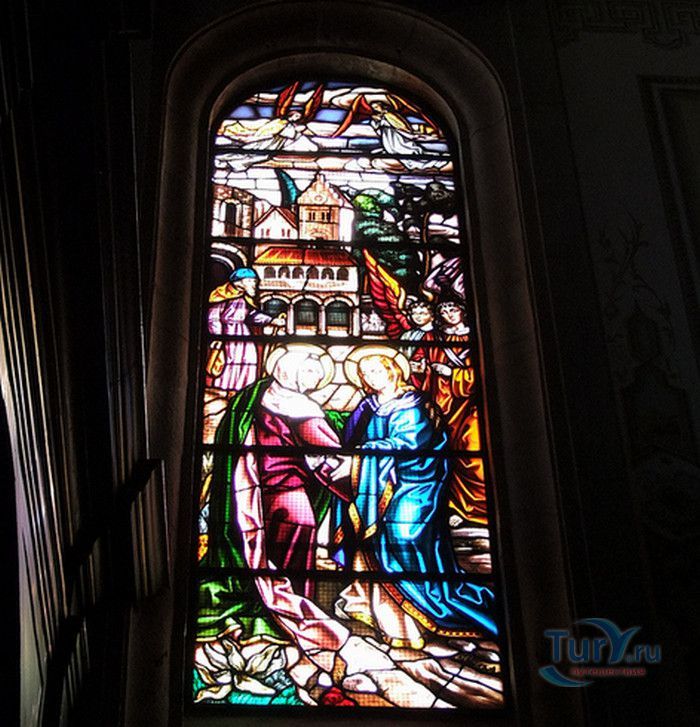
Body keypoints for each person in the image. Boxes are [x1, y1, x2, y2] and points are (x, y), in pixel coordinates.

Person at [196, 343, 355, 700]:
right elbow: (326, 452)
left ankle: (276, 610)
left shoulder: (256, 398)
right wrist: (357, 473)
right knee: (295, 545)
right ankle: (288, 616)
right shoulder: (299, 408)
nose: (313, 382)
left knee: (276, 547)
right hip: (281, 496)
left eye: (317, 377)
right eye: (310, 373)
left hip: (256, 492)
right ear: (293, 368)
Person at [333, 346, 496, 649]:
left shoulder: (413, 404)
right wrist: (352, 459)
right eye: (365, 373)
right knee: (371, 537)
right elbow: (351, 439)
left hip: (417, 483)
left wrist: (361, 457)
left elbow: (409, 444)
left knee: (403, 535)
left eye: (376, 370)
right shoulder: (368, 406)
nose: (371, 377)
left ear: (393, 370)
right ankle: (388, 616)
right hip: (379, 483)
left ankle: (429, 604)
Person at [422, 301, 487, 525]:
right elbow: (427, 372)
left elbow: (483, 373)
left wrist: (453, 374)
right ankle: (456, 507)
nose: (448, 314)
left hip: (472, 406)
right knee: (447, 450)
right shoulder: (434, 338)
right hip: (444, 405)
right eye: (443, 311)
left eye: (453, 309)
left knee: (470, 449)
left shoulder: (474, 335)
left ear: (463, 311)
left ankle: (479, 509)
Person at [206, 267, 285, 394]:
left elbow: (252, 315)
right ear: (239, 282)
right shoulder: (221, 297)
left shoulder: (245, 298)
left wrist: (271, 320)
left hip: (243, 333)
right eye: (250, 281)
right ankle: (225, 389)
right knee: (230, 361)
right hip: (228, 334)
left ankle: (244, 390)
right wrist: (217, 336)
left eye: (255, 282)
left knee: (249, 359)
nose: (254, 284)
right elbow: (213, 318)